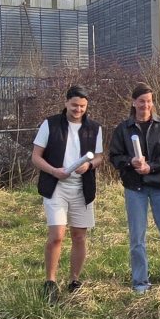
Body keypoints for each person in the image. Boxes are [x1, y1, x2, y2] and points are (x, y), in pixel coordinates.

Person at [108, 83, 160, 293]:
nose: (146, 105)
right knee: (137, 237)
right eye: (142, 101)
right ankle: (140, 281)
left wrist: (151, 167)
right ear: (134, 103)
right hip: (134, 187)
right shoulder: (123, 129)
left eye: (149, 101)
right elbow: (114, 157)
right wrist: (130, 162)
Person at [30, 84, 104, 303]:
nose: (78, 109)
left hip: (82, 188)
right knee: (57, 236)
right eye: (74, 105)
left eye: (82, 106)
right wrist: (54, 171)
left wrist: (89, 165)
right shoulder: (50, 124)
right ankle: (50, 282)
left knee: (79, 236)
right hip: (56, 187)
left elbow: (99, 157)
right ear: (66, 103)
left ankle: (74, 280)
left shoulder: (94, 128)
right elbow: (36, 156)